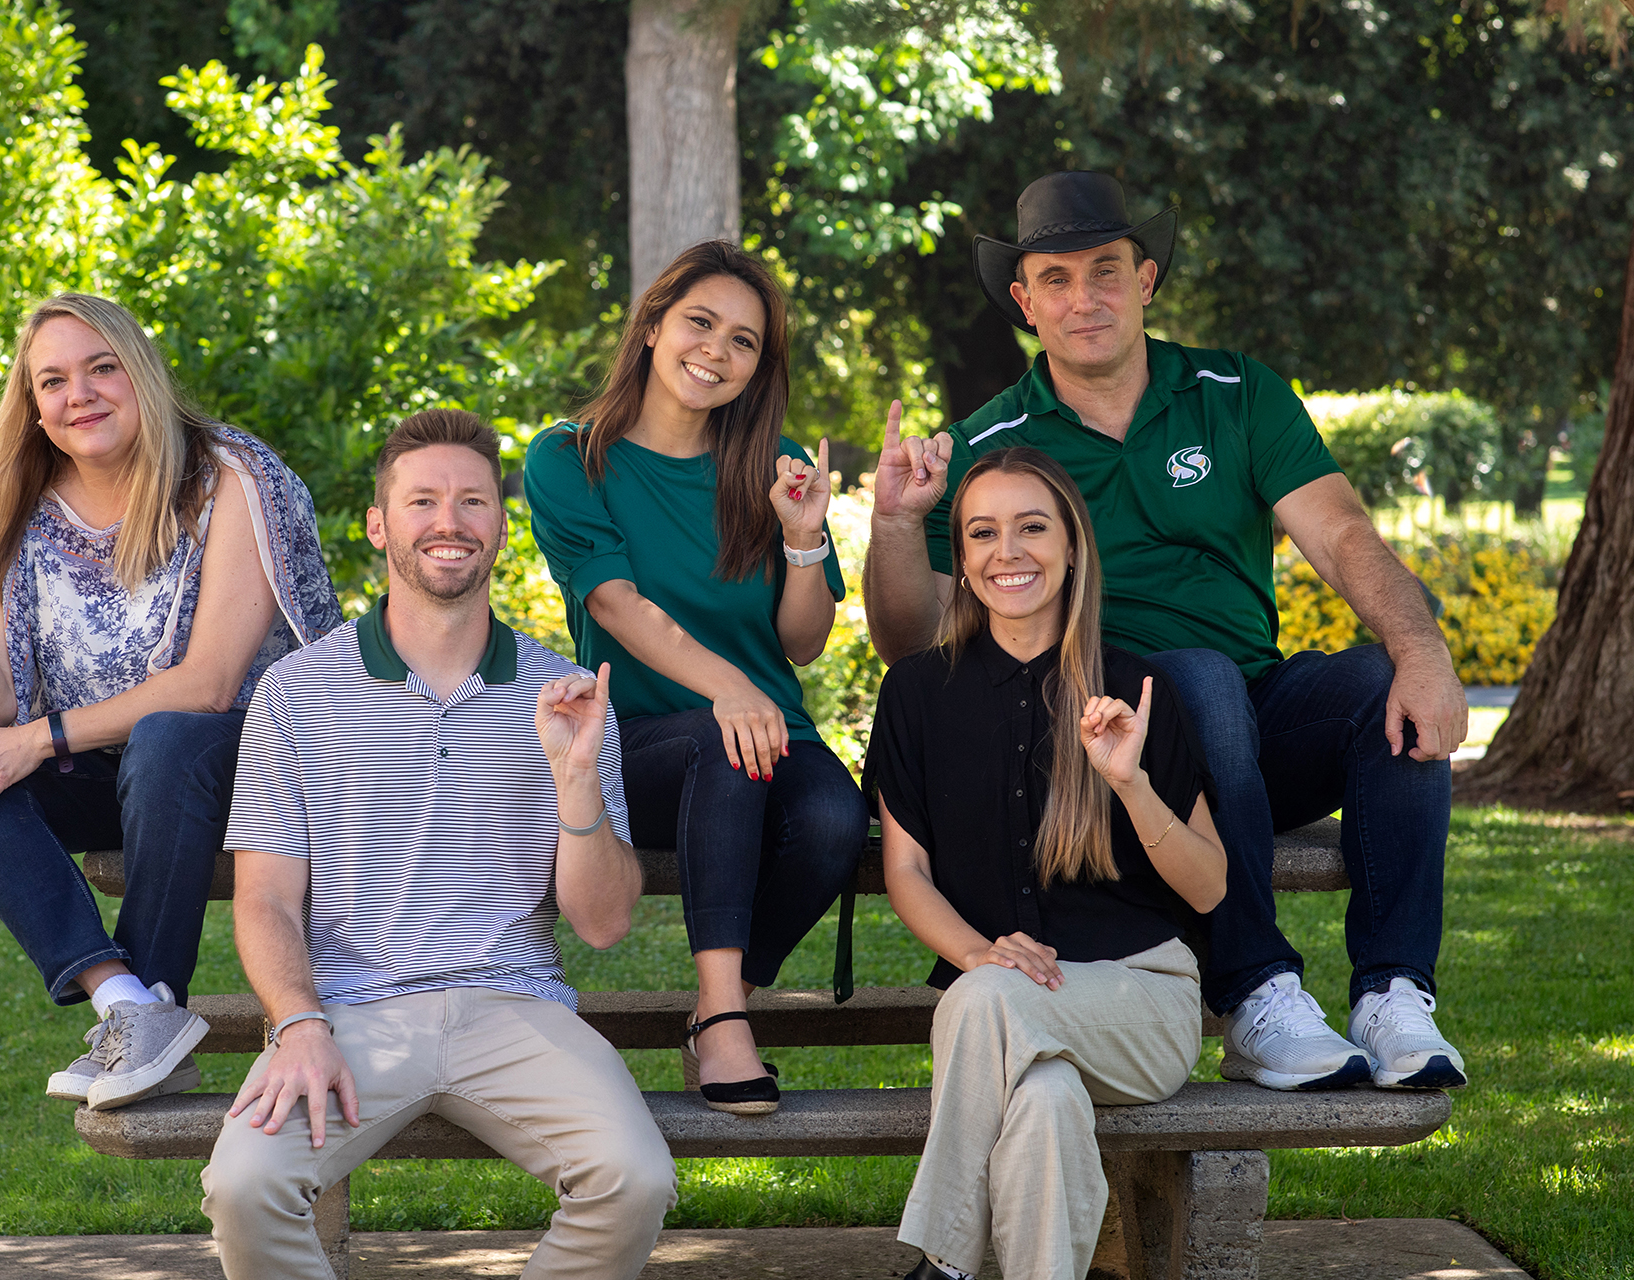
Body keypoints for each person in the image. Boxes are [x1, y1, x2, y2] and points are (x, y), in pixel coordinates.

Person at [864, 171, 1468, 1092]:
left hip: (1250, 705)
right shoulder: (992, 444)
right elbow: (912, 638)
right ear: (1024, 303)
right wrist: (900, 527)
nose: (1084, 298)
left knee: (1384, 688)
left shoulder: (1236, 392)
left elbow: (1343, 534)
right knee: (1192, 678)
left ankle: (1394, 995)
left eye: (1105, 270)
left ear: (1146, 279)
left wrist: (1422, 652)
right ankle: (1258, 989)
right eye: (1055, 280)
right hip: (1110, 737)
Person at [200, 409, 676, 1280]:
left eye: (472, 501)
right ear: (380, 525)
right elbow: (264, 897)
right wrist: (299, 1023)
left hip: (515, 1005)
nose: (448, 522)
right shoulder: (296, 694)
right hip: (348, 1014)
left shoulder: (564, 692)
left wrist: (575, 784)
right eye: (422, 501)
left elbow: (603, 925)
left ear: (501, 523)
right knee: (243, 1185)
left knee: (635, 1178)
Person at [0, 293, 341, 1112]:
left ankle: (157, 997)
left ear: (140, 373)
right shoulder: (18, 509)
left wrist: (40, 740)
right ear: (32, 407)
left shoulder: (230, 476)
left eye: (102, 368)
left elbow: (210, 682)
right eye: (55, 381)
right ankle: (127, 1003)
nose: (82, 395)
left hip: (256, 775)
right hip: (126, 782)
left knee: (169, 737)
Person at [522, 241, 869, 1116]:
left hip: (763, 727)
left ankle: (726, 1002)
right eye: (700, 323)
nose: (717, 350)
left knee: (833, 819)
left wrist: (801, 539)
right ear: (652, 327)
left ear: (759, 368)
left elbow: (803, 642)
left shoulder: (772, 462)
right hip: (642, 739)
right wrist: (728, 688)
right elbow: (614, 604)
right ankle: (721, 1019)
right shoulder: (571, 456)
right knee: (727, 742)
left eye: (745, 341)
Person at [871, 446, 1226, 1280]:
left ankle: (942, 1261)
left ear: (1072, 546)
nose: (1009, 553)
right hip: (1004, 1017)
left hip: (1142, 1003)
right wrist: (977, 953)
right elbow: (906, 872)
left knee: (985, 1000)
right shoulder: (918, 693)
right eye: (983, 534)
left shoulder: (1137, 689)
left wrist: (1131, 786)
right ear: (959, 558)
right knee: (1042, 1104)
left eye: (1033, 527)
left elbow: (1209, 886)